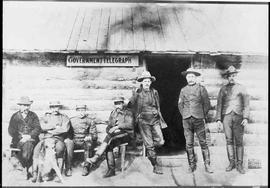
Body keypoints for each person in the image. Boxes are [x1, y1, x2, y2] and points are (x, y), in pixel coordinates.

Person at [128, 71, 167, 174]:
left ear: (151, 82)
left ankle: (150, 148)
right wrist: (137, 115)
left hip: (155, 119)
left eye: (148, 81)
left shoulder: (154, 92)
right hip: (143, 121)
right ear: (142, 82)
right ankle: (155, 165)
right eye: (145, 81)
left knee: (161, 141)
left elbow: (158, 104)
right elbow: (130, 105)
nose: (147, 83)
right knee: (149, 145)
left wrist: (156, 113)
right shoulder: (137, 93)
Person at [86, 97, 134, 178]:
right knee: (108, 145)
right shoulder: (113, 113)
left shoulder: (128, 113)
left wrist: (117, 127)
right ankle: (111, 170)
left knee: (109, 140)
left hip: (126, 135)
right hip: (114, 136)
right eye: (116, 104)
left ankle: (96, 157)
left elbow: (130, 125)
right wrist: (110, 130)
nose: (118, 106)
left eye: (119, 103)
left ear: (122, 104)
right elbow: (109, 126)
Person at [178, 68, 213, 173]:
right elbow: (180, 104)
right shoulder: (183, 90)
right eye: (189, 77)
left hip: (198, 119)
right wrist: (185, 114)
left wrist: (201, 115)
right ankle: (191, 165)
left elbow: (207, 104)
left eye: (192, 76)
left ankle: (207, 165)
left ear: (196, 78)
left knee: (203, 142)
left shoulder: (201, 89)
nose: (191, 78)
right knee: (189, 143)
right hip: (187, 120)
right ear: (186, 78)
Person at [216, 65, 249, 174]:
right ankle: (231, 163)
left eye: (234, 75)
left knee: (239, 141)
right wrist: (218, 120)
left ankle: (239, 164)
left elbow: (246, 104)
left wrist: (245, 117)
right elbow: (219, 105)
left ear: (236, 76)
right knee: (229, 140)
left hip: (239, 116)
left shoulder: (242, 88)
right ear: (227, 77)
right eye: (230, 76)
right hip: (226, 116)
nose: (232, 77)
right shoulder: (223, 89)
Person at [31, 101, 72, 182]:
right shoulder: (46, 116)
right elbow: (41, 126)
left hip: (58, 139)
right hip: (46, 139)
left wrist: (50, 131)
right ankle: (35, 173)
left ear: (59, 108)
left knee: (59, 150)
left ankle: (57, 173)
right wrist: (54, 126)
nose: (55, 109)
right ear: (50, 108)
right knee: (36, 149)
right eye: (53, 107)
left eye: (56, 107)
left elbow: (65, 129)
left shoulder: (64, 117)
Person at [8, 96, 41, 179]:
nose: (26, 107)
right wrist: (21, 136)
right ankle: (25, 167)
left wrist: (29, 135)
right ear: (20, 106)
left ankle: (27, 168)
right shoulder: (15, 116)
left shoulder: (33, 115)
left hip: (31, 139)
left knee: (28, 146)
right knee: (22, 150)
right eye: (24, 105)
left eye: (27, 105)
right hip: (19, 140)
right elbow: (11, 130)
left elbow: (37, 128)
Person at [69, 104, 98, 176]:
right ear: (76, 111)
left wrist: (90, 136)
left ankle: (86, 166)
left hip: (84, 141)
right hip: (75, 141)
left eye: (83, 110)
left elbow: (94, 135)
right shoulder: (72, 120)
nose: (81, 112)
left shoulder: (90, 120)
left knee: (88, 144)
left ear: (85, 111)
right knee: (68, 144)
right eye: (79, 110)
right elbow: (68, 133)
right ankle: (68, 167)